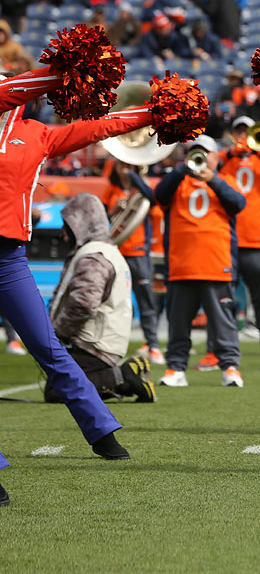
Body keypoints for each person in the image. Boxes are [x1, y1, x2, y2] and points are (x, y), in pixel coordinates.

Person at [0, 65, 164, 485]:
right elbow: (21, 86)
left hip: (9, 259)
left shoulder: (39, 133)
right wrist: (67, 70)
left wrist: (156, 110)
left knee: (49, 347)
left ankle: (101, 430)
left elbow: (102, 127)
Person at [195, 117, 260, 373]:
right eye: (238, 131)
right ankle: (212, 352)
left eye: (246, 131)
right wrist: (230, 152)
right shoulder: (224, 159)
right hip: (226, 242)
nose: (242, 136)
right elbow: (203, 166)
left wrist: (259, 151)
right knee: (219, 300)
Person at [154, 135, 247, 388]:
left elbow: (239, 203)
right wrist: (182, 168)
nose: (201, 158)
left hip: (216, 265)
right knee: (178, 323)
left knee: (223, 323)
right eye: (195, 153)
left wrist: (213, 180)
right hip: (182, 266)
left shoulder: (223, 182)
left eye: (206, 153)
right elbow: (159, 194)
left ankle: (230, 366)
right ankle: (175, 367)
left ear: (216, 158)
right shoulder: (177, 182)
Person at [46, 193, 156, 403]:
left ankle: (122, 377)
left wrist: (55, 335)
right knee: (58, 387)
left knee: (58, 390)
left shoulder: (93, 257)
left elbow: (83, 304)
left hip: (91, 346)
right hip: (103, 343)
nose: (64, 234)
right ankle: (121, 377)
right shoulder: (108, 251)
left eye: (68, 225)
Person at [99, 159, 163, 364]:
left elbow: (153, 199)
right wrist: (113, 210)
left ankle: (152, 345)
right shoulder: (112, 189)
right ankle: (108, 347)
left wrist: (135, 177)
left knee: (146, 301)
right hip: (116, 251)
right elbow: (101, 219)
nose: (123, 170)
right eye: (120, 165)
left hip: (138, 252)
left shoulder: (142, 188)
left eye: (128, 165)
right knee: (111, 301)